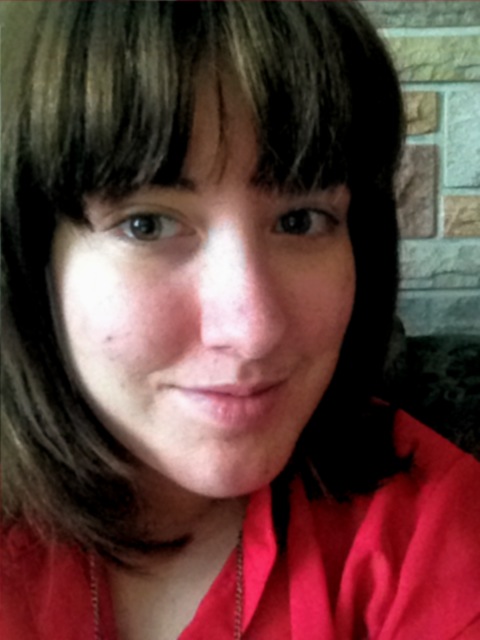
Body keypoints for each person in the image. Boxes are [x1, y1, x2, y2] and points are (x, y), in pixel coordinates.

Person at [1, 3, 479, 639]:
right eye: (147, 224)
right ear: (30, 259)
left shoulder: (434, 532)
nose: (252, 330)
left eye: (300, 220)